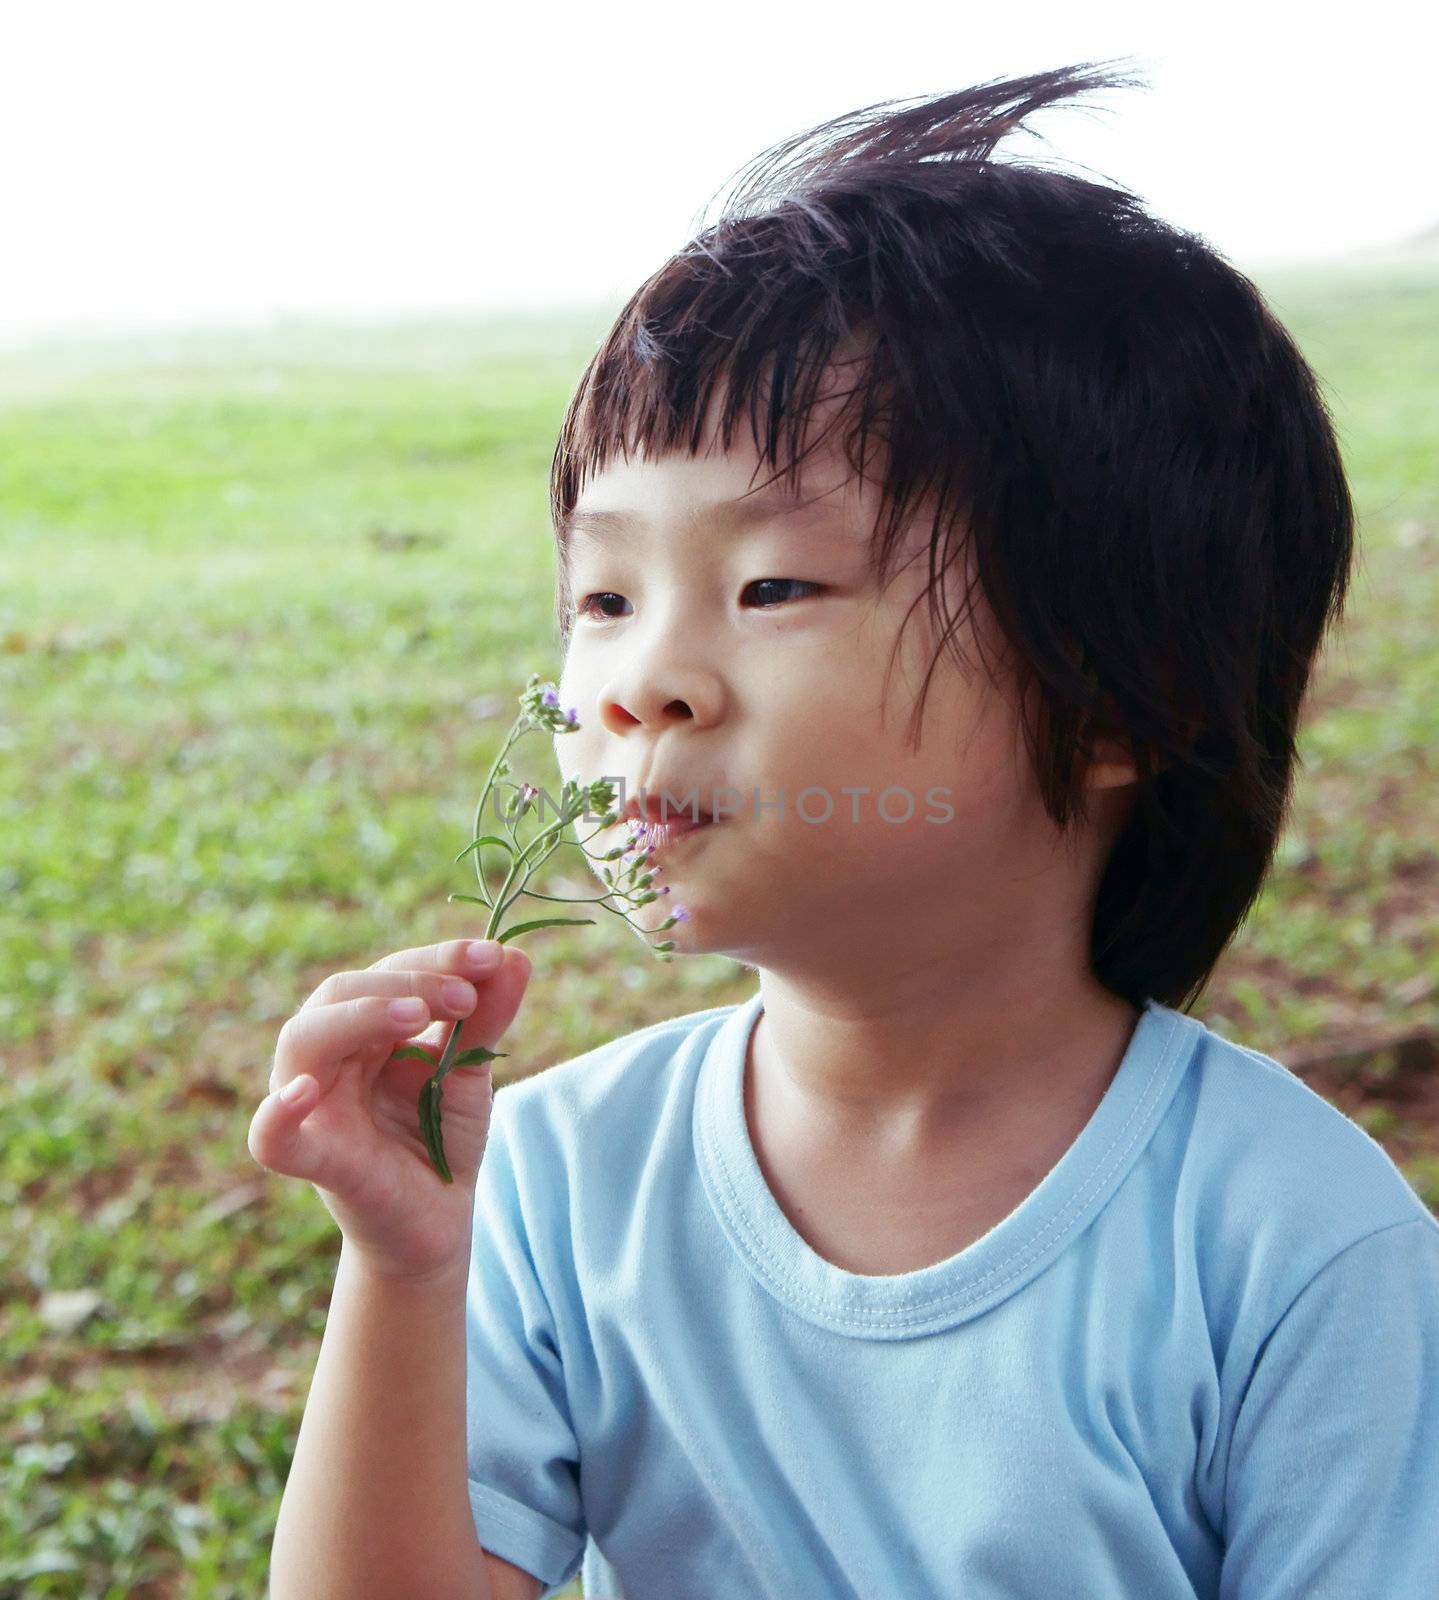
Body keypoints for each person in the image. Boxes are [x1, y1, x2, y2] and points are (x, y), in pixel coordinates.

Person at [248, 58, 1439, 1600]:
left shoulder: (1293, 1244)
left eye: (772, 589)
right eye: (604, 599)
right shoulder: (545, 1182)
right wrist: (403, 1268)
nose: (638, 687)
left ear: (1127, 699)